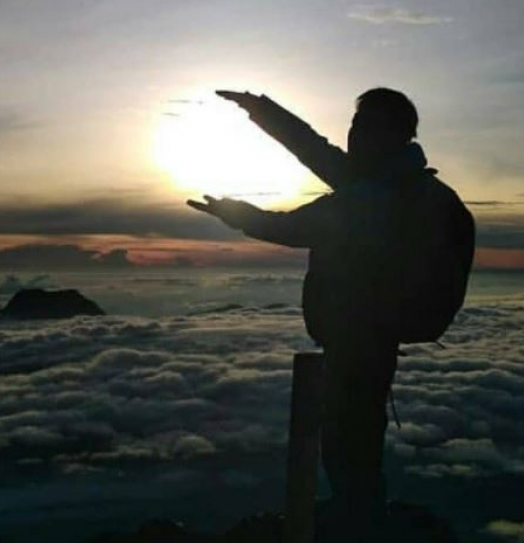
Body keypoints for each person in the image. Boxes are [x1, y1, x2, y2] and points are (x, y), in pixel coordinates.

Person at [188, 88, 474, 542]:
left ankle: (356, 523)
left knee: (347, 439)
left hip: (360, 334)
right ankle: (358, 514)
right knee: (356, 433)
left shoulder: (374, 197)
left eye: (366, 128)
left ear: (395, 136)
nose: (355, 136)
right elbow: (313, 149)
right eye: (356, 125)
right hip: (373, 331)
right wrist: (262, 110)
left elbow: (293, 227)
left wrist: (234, 213)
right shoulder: (400, 183)